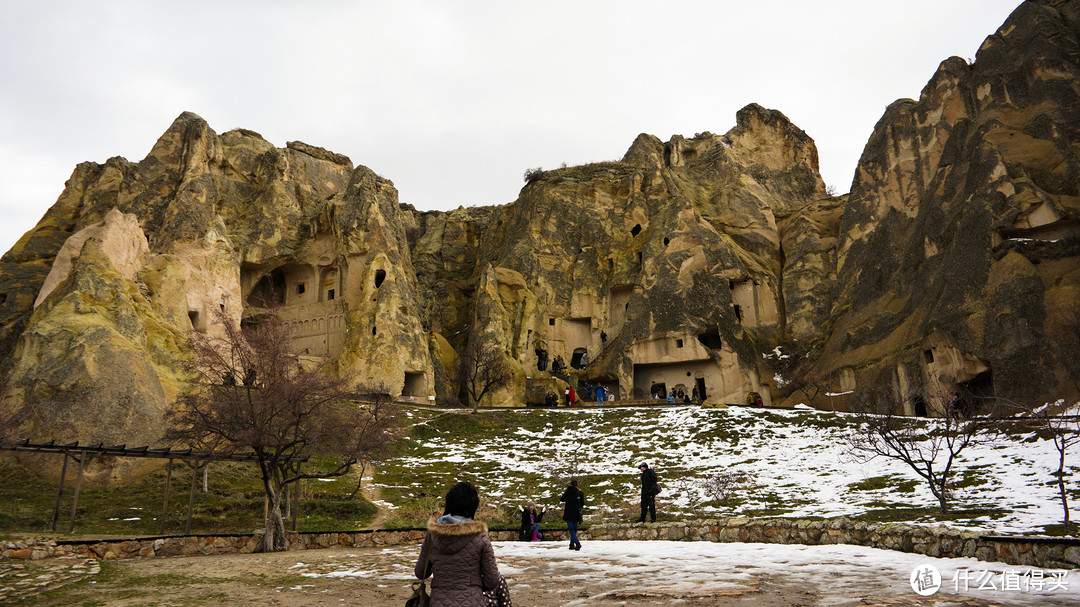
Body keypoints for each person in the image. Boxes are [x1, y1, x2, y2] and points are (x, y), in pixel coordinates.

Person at [415, 481, 512, 607]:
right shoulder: (480, 536)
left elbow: (420, 572)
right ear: (473, 507)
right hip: (473, 601)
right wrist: (472, 583)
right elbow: (492, 581)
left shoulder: (432, 535)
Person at [560, 479, 585, 551]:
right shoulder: (580, 493)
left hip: (568, 513)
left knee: (571, 529)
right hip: (577, 513)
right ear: (577, 485)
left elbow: (562, 499)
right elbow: (582, 504)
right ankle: (572, 544)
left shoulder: (568, 492)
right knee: (574, 529)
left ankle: (576, 543)